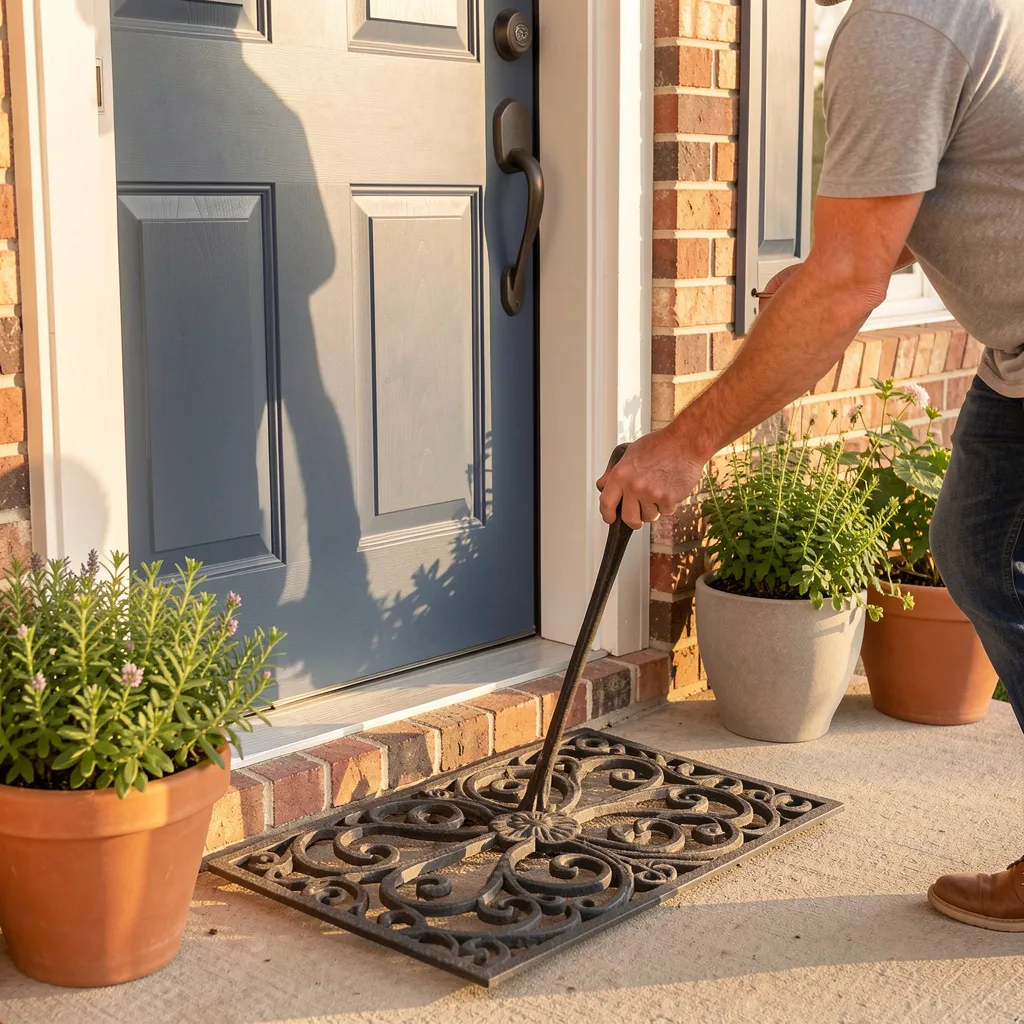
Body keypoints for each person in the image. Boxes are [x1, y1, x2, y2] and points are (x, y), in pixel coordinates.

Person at [599, 0, 1024, 932]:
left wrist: (684, 444)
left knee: (998, 561)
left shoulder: (904, 23)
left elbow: (849, 283)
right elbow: (956, 175)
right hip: (1016, 359)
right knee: (979, 548)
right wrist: (843, 260)